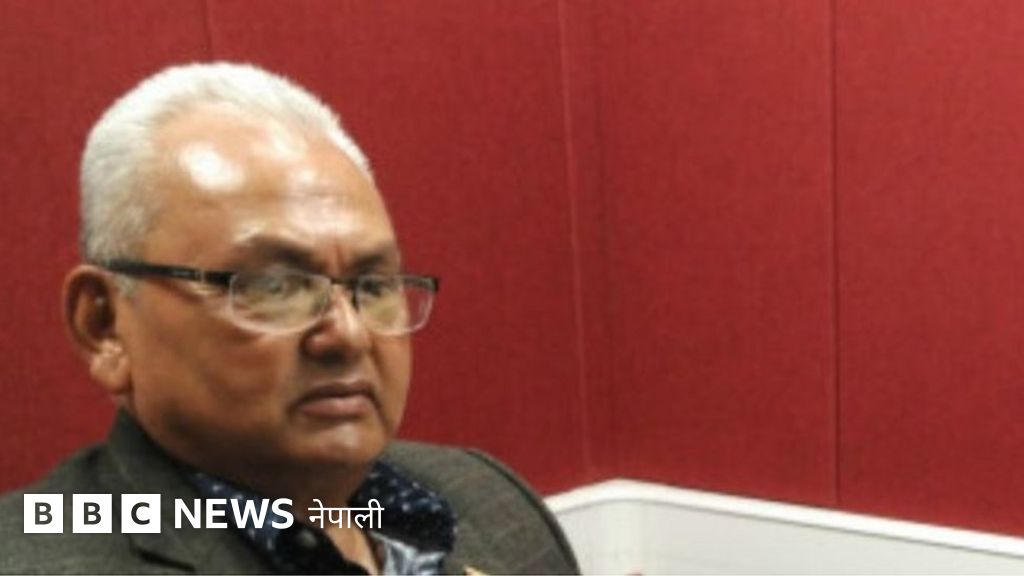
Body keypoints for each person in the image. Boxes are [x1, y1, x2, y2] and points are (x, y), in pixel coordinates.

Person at [0, 62, 578, 575]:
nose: (348, 334)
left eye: (373, 285)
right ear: (104, 326)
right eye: (273, 286)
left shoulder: (489, 501)